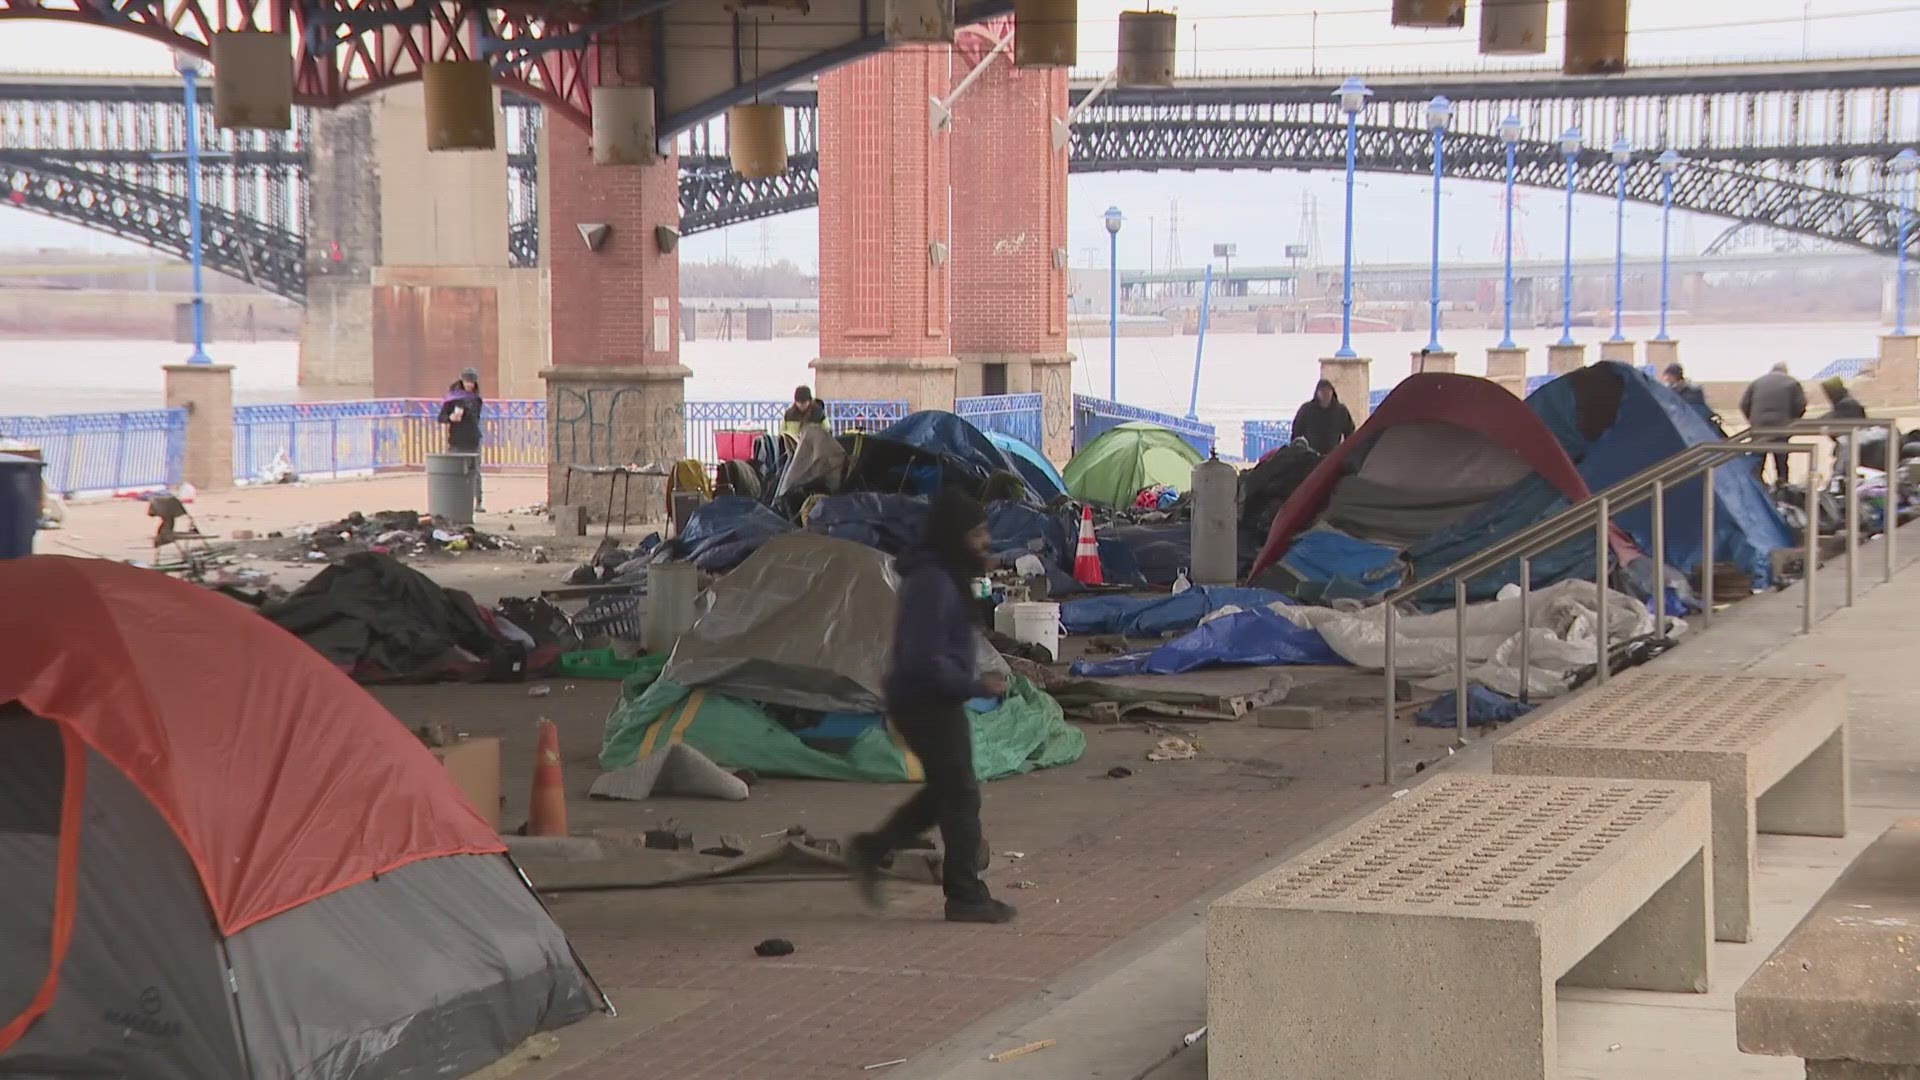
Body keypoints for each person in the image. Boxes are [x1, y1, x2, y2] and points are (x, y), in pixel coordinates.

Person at [850, 488, 1016, 925]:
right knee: (961, 796)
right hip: (925, 701)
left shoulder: (943, 574)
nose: (985, 541)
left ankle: (871, 848)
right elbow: (924, 658)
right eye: (977, 533)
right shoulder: (932, 583)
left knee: (945, 791)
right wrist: (975, 685)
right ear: (953, 535)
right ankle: (964, 894)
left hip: (930, 698)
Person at [1739, 362, 1807, 487]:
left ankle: (1755, 487)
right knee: (1781, 460)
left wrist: (1753, 420)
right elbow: (1800, 405)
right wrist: (1792, 421)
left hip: (1758, 428)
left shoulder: (1757, 382)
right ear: (1786, 371)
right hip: (1781, 427)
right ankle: (1783, 486)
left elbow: (1744, 404)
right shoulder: (1792, 383)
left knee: (1757, 460)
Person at [437, 367, 485, 512]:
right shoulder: (452, 398)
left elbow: (476, 418)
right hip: (457, 439)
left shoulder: (476, 399)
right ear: (462, 381)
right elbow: (441, 418)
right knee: (456, 471)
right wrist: (451, 417)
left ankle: (478, 502)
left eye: (472, 382)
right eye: (467, 381)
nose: (470, 385)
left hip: (473, 438)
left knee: (475, 471)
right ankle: (455, 500)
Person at [1291, 379, 1355, 455]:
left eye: (1328, 391)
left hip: (1333, 455)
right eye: (1322, 391)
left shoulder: (1341, 411)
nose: (1326, 394)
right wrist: (1297, 452)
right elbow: (1296, 431)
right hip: (1310, 455)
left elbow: (1350, 432)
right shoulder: (1307, 409)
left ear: (1332, 393)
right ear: (1317, 393)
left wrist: (1346, 452)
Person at [1661, 363, 1719, 428]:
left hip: (1694, 426)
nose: (1666, 378)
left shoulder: (1693, 390)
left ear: (1676, 376)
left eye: (1669, 375)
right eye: (1666, 375)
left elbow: (1697, 410)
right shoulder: (1668, 389)